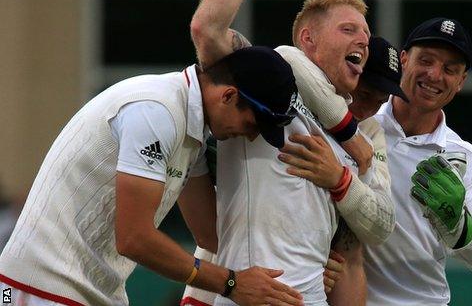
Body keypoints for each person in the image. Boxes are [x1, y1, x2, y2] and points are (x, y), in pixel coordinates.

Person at [0, 36, 303, 306]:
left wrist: (302, 262)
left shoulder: (192, 126)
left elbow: (211, 234)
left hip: (88, 291)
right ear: (228, 96)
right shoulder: (156, 111)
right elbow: (133, 238)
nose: (250, 136)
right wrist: (230, 283)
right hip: (37, 287)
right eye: (252, 124)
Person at [181, 0, 396, 305]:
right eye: (348, 29)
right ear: (307, 39)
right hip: (247, 295)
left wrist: (340, 179)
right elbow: (206, 29)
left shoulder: (365, 133)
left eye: (367, 37)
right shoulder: (261, 89)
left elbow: (382, 227)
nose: (363, 42)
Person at [362, 17, 472, 305]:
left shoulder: (468, 159)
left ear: (460, 82)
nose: (434, 75)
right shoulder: (358, 123)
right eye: (426, 60)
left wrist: (458, 226)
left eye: (449, 69)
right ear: (404, 60)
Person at [278, 36, 409, 306]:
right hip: (243, 263)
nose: (368, 109)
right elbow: (284, 55)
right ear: (350, 72)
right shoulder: (292, 94)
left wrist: (340, 179)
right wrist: (346, 129)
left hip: (309, 276)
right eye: (364, 95)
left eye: (380, 100)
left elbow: (381, 225)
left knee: (350, 246)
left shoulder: (371, 129)